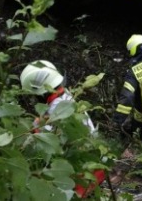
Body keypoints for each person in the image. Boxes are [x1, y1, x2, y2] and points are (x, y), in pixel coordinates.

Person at [19, 60, 105, 196]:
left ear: (41, 91)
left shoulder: (57, 109)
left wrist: (35, 129)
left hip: (83, 178)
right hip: (94, 166)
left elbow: (49, 146)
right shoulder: (65, 97)